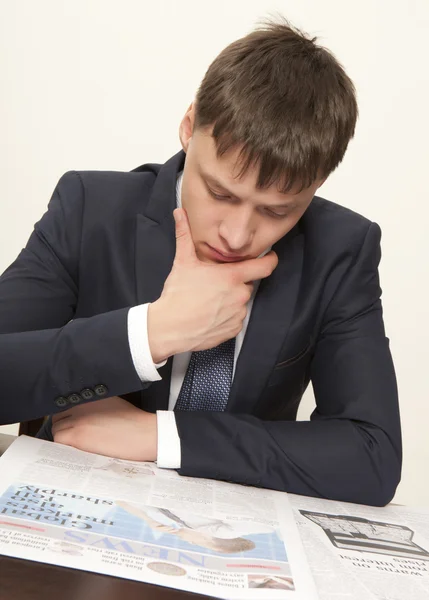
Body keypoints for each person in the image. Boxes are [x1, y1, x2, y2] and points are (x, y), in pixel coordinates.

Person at [0, 19, 401, 506]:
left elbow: (372, 456)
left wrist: (161, 436)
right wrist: (151, 333)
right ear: (190, 128)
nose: (236, 235)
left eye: (277, 211)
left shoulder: (341, 249)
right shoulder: (91, 210)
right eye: (218, 192)